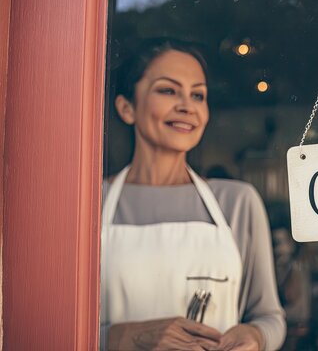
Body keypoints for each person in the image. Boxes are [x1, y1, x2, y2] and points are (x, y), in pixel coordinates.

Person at [100, 38, 286, 351]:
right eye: (168, 90)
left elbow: (269, 317)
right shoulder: (92, 203)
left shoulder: (237, 202)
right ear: (127, 108)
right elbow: (56, 323)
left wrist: (255, 337)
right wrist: (128, 336)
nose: (187, 106)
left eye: (197, 95)